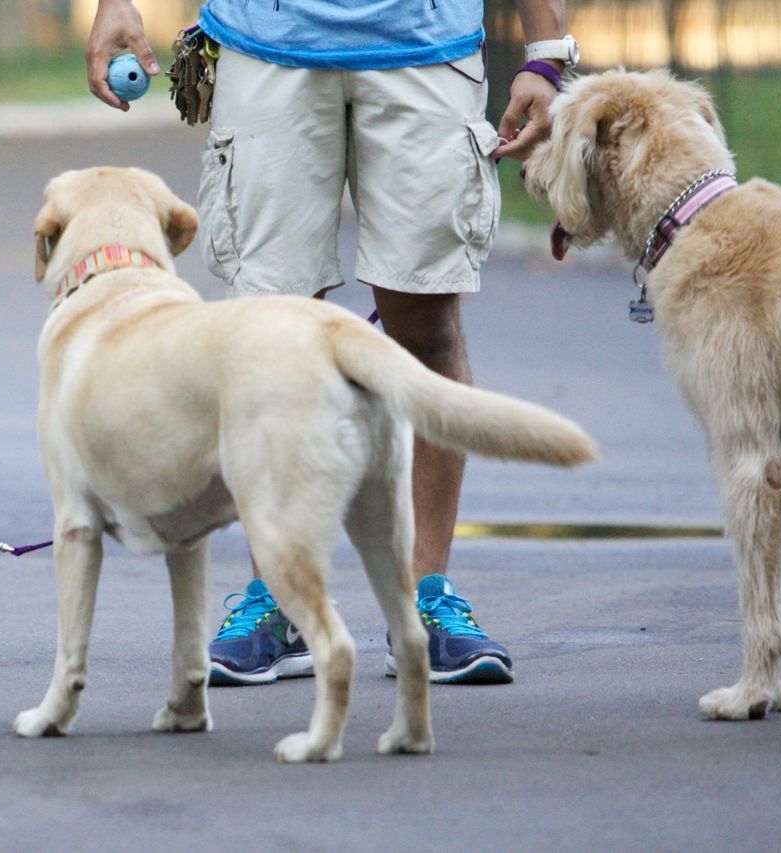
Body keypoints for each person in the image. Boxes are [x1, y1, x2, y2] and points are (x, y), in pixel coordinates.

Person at [85, 0, 576, 686]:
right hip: (267, 48)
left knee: (426, 332)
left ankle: (424, 597)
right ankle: (278, 598)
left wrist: (548, 48)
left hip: (424, 48)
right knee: (266, 338)